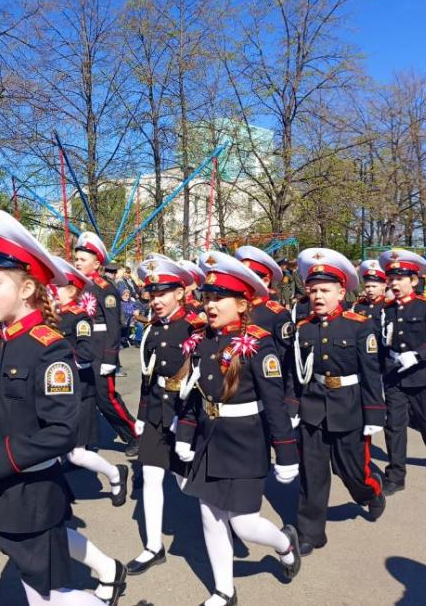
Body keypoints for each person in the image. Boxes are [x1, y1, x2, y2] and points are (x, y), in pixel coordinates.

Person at [0, 210, 115, 606]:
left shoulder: (50, 348)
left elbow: (60, 432)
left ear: (25, 290)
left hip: (29, 497)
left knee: (49, 600)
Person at [177, 251, 302, 606]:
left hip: (246, 440)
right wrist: (185, 434)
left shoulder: (260, 344)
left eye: (220, 298)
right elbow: (192, 394)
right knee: (210, 515)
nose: (211, 305)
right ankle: (224, 590)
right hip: (209, 439)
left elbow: (275, 404)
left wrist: (287, 453)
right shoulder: (202, 339)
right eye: (208, 297)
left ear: (244, 303)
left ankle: (284, 543)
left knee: (244, 522)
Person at [292, 248, 387, 557]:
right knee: (312, 471)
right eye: (313, 290)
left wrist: (374, 413)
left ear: (341, 291)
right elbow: (296, 374)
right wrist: (293, 407)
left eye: (325, 290)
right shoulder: (302, 328)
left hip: (350, 406)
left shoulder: (359, 325)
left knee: (354, 471)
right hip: (314, 407)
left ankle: (372, 491)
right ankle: (311, 532)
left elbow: (371, 373)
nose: (318, 296)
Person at [126, 256, 205, 575]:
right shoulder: (154, 329)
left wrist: (187, 423)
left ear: (180, 293)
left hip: (186, 413)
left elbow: (203, 378)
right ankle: (153, 546)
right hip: (158, 412)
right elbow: (148, 376)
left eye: (162, 293)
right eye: (152, 294)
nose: (155, 300)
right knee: (152, 476)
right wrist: (142, 415)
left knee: (189, 484)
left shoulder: (197, 325)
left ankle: (220, 530)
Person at [51, 255, 129, 508]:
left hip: (79, 387)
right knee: (57, 447)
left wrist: (110, 357)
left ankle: (116, 474)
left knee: (78, 452)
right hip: (62, 390)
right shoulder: (57, 315)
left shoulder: (80, 315)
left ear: (72, 290)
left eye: (58, 286)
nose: (53, 290)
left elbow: (90, 347)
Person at [378, 249, 426, 496]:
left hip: (421, 376)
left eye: (400, 278)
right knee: (394, 425)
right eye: (391, 278)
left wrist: (418, 354)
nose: (394, 283)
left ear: (414, 281)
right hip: (394, 376)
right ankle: (396, 475)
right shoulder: (386, 309)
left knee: (425, 421)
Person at [74, 232, 139, 457]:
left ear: (97, 262)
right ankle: (82, 445)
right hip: (81, 350)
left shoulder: (105, 288)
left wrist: (110, 358)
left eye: (82, 260)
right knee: (83, 398)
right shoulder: (78, 286)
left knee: (105, 398)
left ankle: (133, 434)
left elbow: (113, 326)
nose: (77, 263)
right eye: (77, 259)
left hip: (100, 351)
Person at [235, 246, 299, 421]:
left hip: (269, 393)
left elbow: (288, 363)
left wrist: (291, 401)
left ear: (265, 280)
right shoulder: (234, 308)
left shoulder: (276, 314)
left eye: (250, 278)